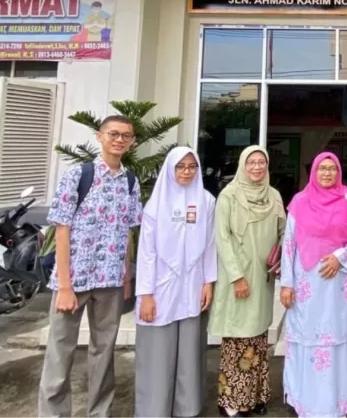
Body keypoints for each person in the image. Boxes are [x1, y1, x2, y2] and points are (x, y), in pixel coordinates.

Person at [38, 115, 143, 417]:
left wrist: (126, 278)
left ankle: (99, 412)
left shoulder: (130, 181)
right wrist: (65, 286)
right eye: (114, 134)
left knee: (103, 352)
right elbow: (61, 229)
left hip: (110, 282)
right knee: (60, 352)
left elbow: (128, 233)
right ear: (100, 137)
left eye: (126, 135)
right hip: (74, 281)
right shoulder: (78, 176)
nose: (120, 140)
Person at [280, 152, 347, 417]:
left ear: (339, 172)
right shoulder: (299, 201)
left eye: (332, 169)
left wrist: (339, 258)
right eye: (322, 169)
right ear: (314, 172)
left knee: (339, 334)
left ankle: (340, 401)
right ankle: (305, 400)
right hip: (307, 284)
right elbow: (289, 244)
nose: (327, 173)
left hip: (338, 284)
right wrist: (286, 283)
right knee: (308, 336)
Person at [134, 147, 217, 417]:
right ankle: (153, 409)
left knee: (190, 351)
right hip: (160, 287)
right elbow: (146, 253)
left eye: (192, 167)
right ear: (170, 169)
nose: (186, 172)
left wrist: (209, 282)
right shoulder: (155, 205)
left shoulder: (206, 201)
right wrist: (146, 293)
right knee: (158, 352)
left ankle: (187, 408)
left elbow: (210, 245)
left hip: (193, 284)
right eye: (180, 167)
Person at [208, 145, 286, 417]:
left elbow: (283, 233)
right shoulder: (229, 196)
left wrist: (280, 260)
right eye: (251, 162)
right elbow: (222, 238)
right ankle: (231, 401)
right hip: (239, 279)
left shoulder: (273, 196)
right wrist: (237, 276)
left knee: (259, 336)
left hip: (263, 279)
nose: (256, 167)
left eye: (261, 163)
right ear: (243, 165)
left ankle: (256, 395)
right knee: (238, 338)